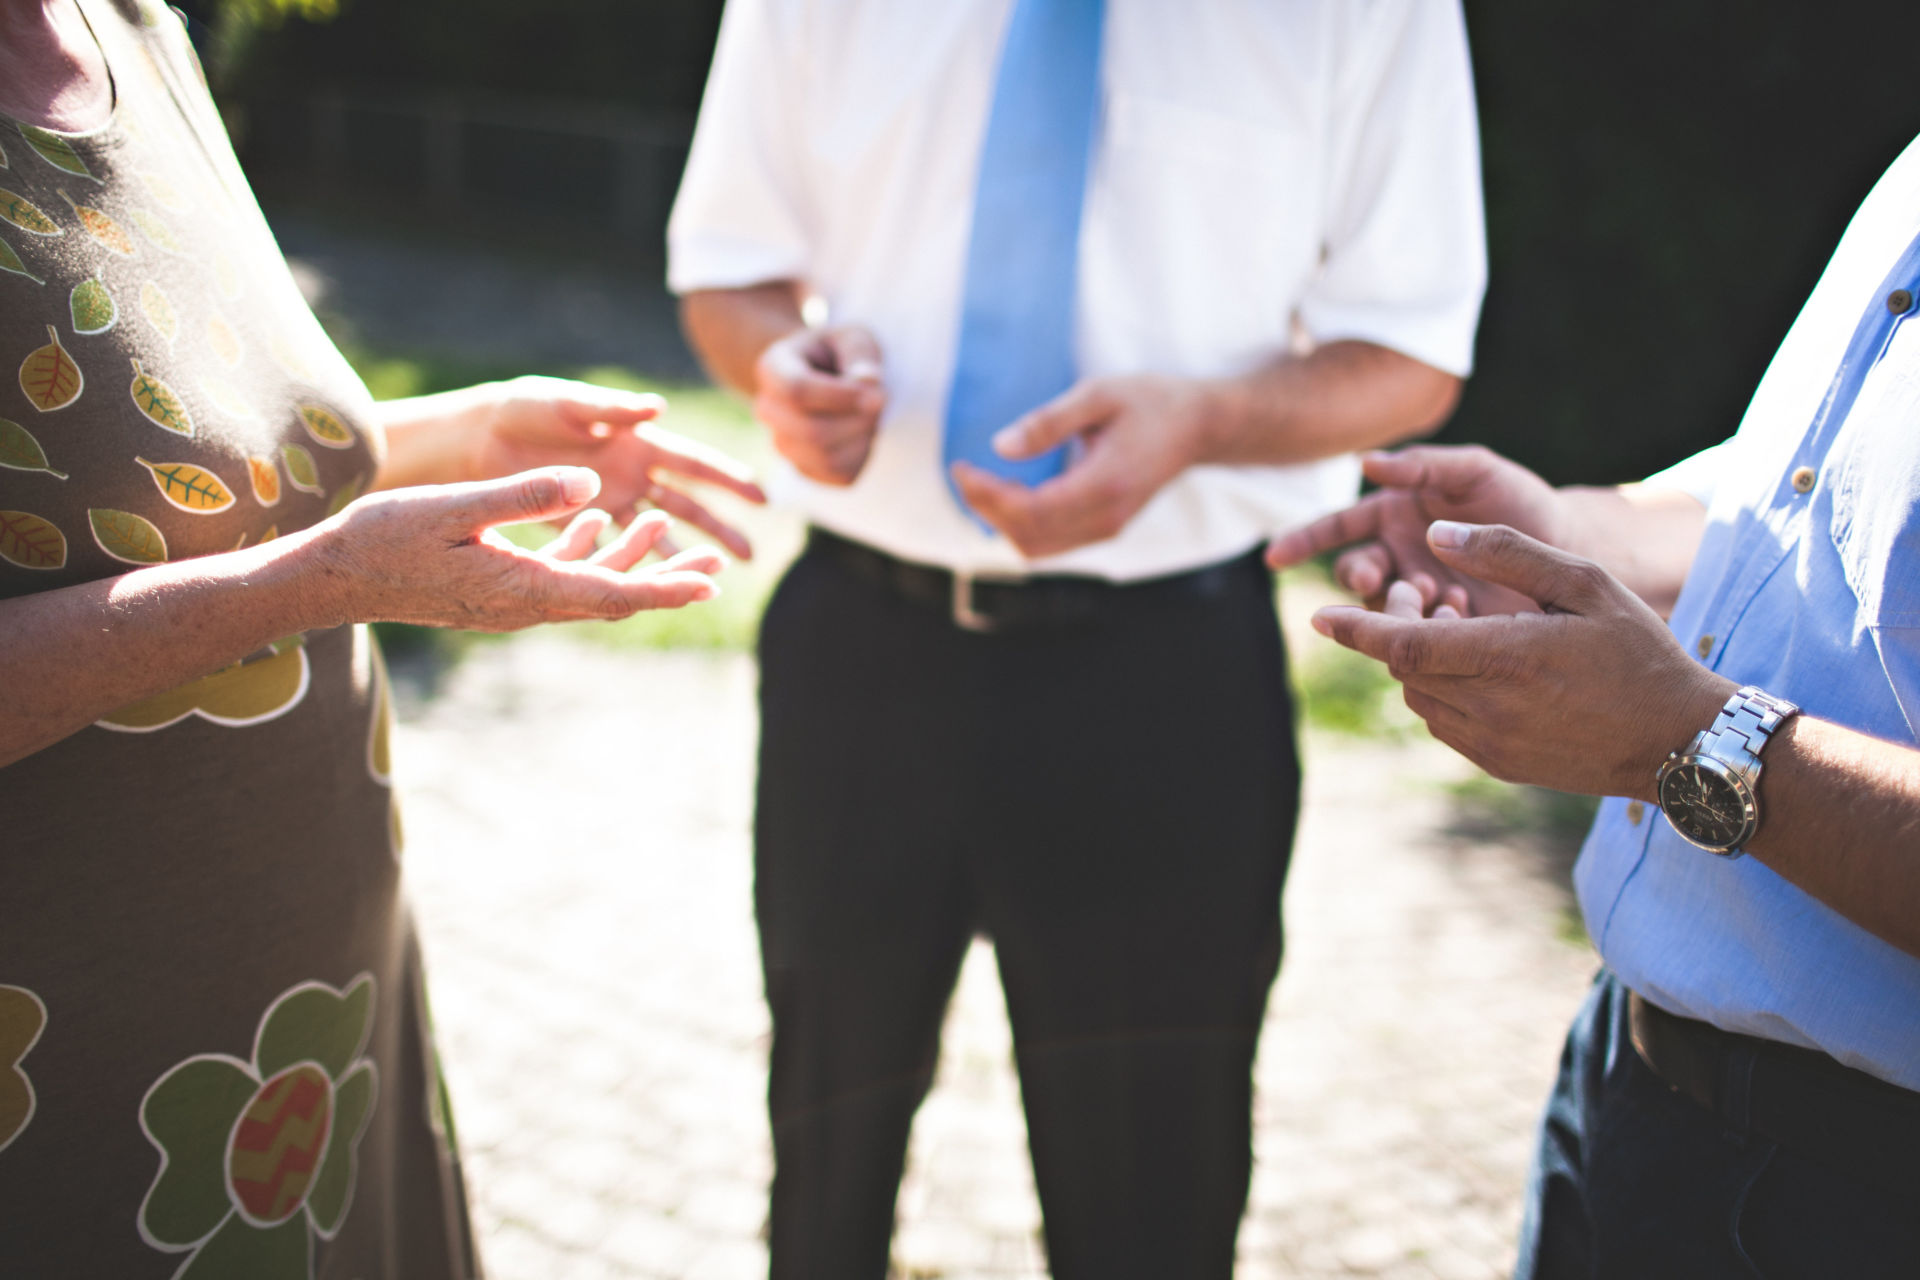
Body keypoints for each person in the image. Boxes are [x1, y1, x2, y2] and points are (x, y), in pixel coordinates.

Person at [667, 1, 1486, 1273]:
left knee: (1155, 1201)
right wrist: (783, 367)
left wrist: (1203, 419)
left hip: (1164, 680)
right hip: (859, 656)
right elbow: (729, 265)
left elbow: (1411, 350)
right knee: (820, 1169)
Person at [0, 0, 766, 1273]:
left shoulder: (136, 32)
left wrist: (457, 436)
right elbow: (271, 568)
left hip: (317, 1022)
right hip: (75, 1078)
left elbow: (171, 484)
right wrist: (315, 583)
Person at [1269, 136, 1920, 1278]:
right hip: (1625, 1078)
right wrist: (1577, 534)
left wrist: (1682, 738)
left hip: (1858, 1194)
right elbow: (1819, 507)